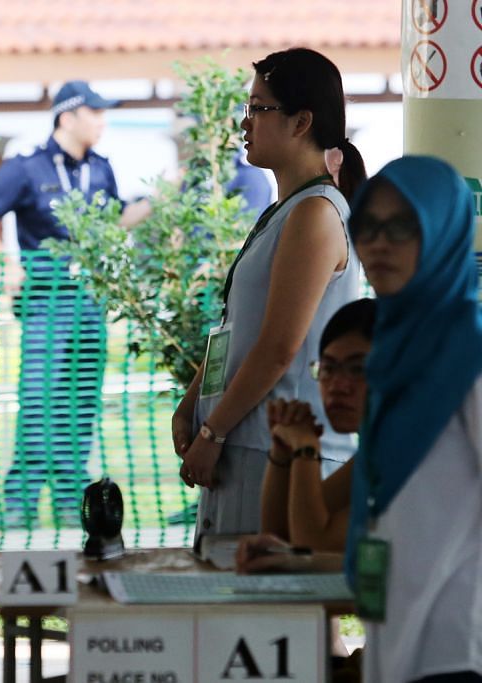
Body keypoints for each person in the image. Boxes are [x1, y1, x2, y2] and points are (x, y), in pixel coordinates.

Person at [173, 47, 366, 538]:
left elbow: (280, 347)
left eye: (257, 109)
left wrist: (213, 429)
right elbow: (241, 327)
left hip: (276, 449)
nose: (245, 124)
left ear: (301, 122)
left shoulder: (316, 213)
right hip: (247, 441)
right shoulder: (285, 211)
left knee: (259, 608)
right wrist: (194, 403)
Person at [0, 81, 148, 530]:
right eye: (96, 112)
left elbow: (118, 217)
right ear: (68, 116)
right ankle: (20, 504)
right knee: (40, 401)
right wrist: (7, 261)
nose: (103, 121)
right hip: (45, 302)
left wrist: (164, 199)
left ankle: (71, 502)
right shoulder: (26, 168)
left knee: (80, 402)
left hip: (89, 302)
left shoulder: (102, 169)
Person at [343, 156, 482, 683]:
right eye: (368, 226)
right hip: (397, 623)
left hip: (458, 641)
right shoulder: (390, 354)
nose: (380, 243)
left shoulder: (470, 351)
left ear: (442, 230)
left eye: (403, 225)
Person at [257, 298, 375, 551]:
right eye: (329, 368)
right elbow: (279, 536)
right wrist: (283, 449)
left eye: (358, 369)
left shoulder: (411, 453)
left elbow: (313, 545)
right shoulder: (376, 451)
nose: (337, 386)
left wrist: (306, 448)